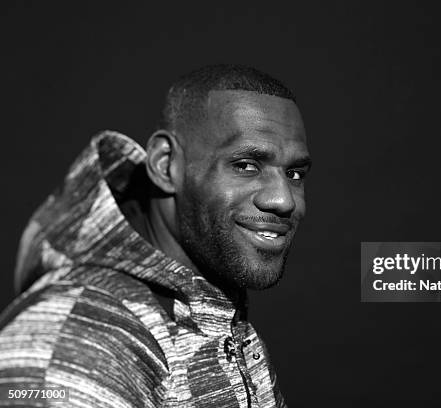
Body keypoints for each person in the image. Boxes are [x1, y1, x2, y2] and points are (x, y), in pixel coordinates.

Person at [0, 65, 310, 407]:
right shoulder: (70, 345)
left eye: (294, 173)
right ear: (166, 165)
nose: (284, 199)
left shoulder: (212, 311)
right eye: (245, 166)